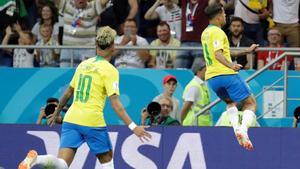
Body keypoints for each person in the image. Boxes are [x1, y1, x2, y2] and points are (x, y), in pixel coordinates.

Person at [18, 26, 151, 169]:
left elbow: (69, 92)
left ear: (96, 46)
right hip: (92, 121)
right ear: (113, 47)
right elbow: (116, 104)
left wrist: (58, 111)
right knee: (107, 161)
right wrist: (133, 127)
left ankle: (37, 159)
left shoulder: (83, 65)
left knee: (62, 164)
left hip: (71, 118)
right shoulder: (110, 70)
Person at [201, 3, 258, 150]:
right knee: (250, 103)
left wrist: (246, 51)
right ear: (219, 14)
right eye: (224, 14)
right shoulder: (218, 32)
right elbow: (218, 54)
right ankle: (243, 130)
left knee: (230, 103)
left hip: (212, 79)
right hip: (225, 74)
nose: (225, 17)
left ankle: (237, 132)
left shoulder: (205, 32)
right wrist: (231, 65)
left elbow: (224, 52)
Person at [55, 0, 108, 67]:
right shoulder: (66, 4)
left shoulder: (93, 6)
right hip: (68, 49)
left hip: (87, 49)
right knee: (65, 75)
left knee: (87, 75)